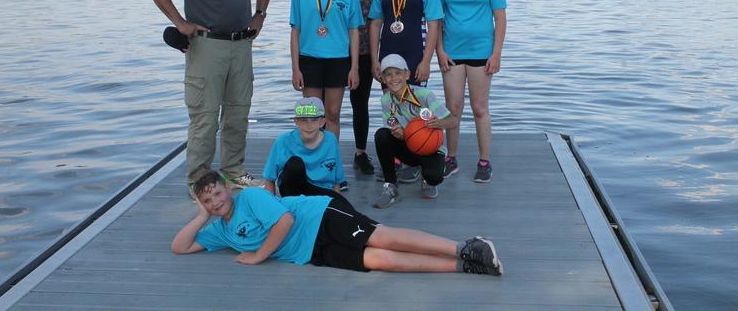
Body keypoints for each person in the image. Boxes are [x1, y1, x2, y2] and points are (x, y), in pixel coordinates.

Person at [145, 0, 271, 193]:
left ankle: (233, 172)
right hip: (206, 44)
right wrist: (179, 22)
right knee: (205, 117)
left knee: (239, 112)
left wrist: (259, 15)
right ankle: (198, 183)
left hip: (242, 43)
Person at [171, 170, 504, 276]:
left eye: (217, 194)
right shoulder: (218, 229)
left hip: (318, 217)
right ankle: (463, 266)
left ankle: (464, 246)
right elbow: (181, 247)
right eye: (208, 200)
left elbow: (285, 221)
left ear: (227, 189)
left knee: (381, 239)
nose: (216, 202)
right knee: (376, 261)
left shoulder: (251, 199)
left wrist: (258, 256)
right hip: (310, 251)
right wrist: (200, 217)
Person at [436, 0, 507, 184]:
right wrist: (439, 51)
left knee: (479, 108)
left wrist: (496, 54)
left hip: (481, 54)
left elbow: (500, 18)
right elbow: (437, 21)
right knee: (452, 109)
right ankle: (451, 158)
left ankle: (484, 161)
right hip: (452, 54)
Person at [290, 0, 363, 145]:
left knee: (332, 114)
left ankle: (330, 160)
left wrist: (354, 67)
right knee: (311, 115)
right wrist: (295, 68)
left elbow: (354, 32)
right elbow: (295, 32)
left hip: (338, 59)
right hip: (310, 59)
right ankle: (312, 160)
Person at [372, 54, 458, 208]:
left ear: (407, 74)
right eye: (388, 75)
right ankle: (391, 186)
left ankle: (426, 176)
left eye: (398, 73)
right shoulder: (386, 101)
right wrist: (400, 133)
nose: (393, 78)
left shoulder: (424, 95)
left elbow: (453, 121)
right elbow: (391, 127)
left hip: (431, 148)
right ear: (383, 79)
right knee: (382, 135)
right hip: (409, 146)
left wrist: (439, 123)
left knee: (434, 177)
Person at [334, 0, 382, 176]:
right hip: (332, 50)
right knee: (328, 106)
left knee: (359, 104)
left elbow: (381, 15)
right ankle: (324, 153)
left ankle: (360, 154)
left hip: (363, 50)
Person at [262, 97, 346, 198]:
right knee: (295, 163)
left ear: (322, 122)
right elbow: (269, 179)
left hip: (322, 192)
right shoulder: (283, 141)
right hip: (293, 192)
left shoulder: (331, 140)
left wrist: (338, 201)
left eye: (314, 120)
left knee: (349, 212)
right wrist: (272, 208)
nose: (309, 125)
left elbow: (337, 181)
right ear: (296, 121)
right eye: (303, 120)